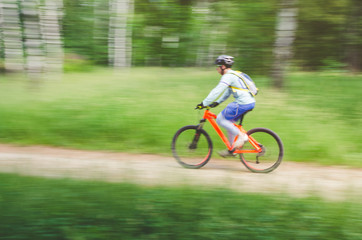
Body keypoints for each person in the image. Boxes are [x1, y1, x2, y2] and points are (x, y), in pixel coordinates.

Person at [196, 55, 256, 157]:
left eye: (218, 66)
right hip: (249, 102)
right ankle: (233, 150)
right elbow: (228, 92)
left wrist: (204, 103)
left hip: (242, 103)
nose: (216, 68)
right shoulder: (233, 75)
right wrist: (217, 102)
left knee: (220, 119)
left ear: (223, 66)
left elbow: (217, 91)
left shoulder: (227, 76)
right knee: (229, 123)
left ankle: (242, 137)